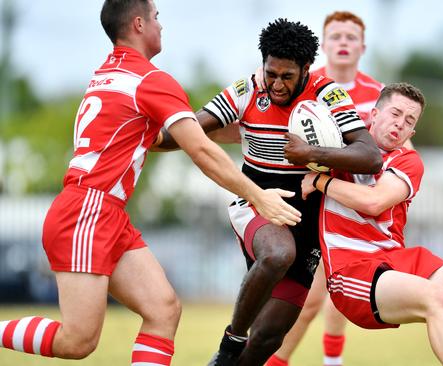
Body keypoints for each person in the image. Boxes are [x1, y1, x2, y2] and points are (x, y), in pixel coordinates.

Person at [0, 1, 301, 365]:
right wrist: (258, 195)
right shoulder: (151, 80)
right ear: (139, 24)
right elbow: (200, 151)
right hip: (87, 214)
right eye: (157, 17)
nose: (162, 25)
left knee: (163, 309)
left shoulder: (107, 74)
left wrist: (255, 130)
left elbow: (159, 139)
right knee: (77, 341)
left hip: (102, 212)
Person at [155, 18, 382, 366]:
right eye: (270, 73)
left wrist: (312, 154)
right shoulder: (247, 89)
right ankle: (230, 342)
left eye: (286, 76)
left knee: (269, 337)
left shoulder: (328, 94)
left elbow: (370, 156)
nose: (276, 84)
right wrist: (147, 138)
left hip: (307, 223)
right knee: (277, 254)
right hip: (257, 202)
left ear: (306, 68)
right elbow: (190, 130)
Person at [301, 83, 443, 366]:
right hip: (350, 270)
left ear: (412, 133)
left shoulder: (408, 160)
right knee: (437, 298)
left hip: (395, 259)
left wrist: (320, 182)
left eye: (409, 121)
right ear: (373, 114)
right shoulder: (337, 147)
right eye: (395, 113)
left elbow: (374, 202)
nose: (400, 123)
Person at [266, 11, 385, 366]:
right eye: (336, 36)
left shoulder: (378, 95)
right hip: (312, 201)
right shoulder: (305, 87)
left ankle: (332, 360)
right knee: (307, 299)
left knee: (339, 295)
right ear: (323, 46)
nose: (343, 42)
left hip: (355, 206)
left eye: (351, 37)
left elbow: (398, 149)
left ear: (362, 46)